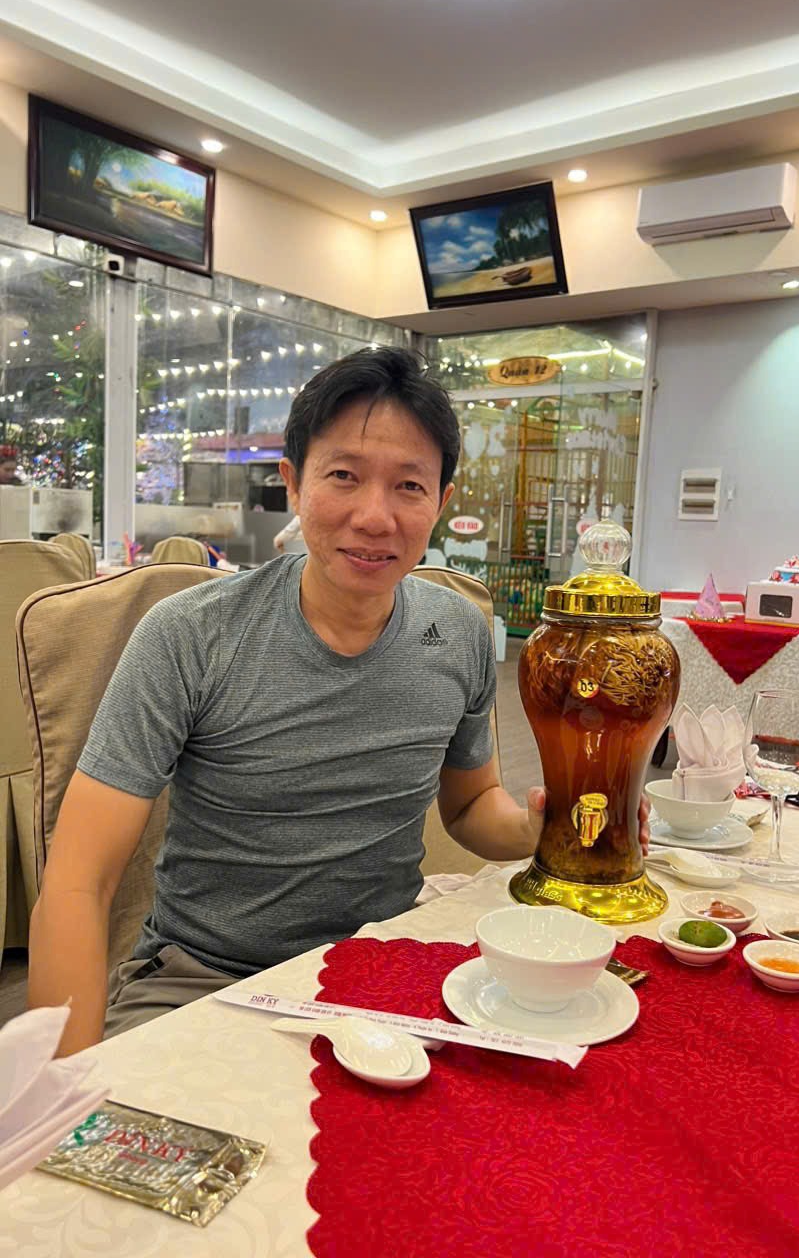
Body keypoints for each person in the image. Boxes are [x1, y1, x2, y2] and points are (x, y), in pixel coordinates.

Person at [28, 348, 568, 1056]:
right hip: (204, 981)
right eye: (343, 476)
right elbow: (79, 881)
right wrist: (60, 1086)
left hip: (384, 974)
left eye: (409, 485)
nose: (375, 517)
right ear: (293, 483)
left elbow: (470, 808)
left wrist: (541, 828)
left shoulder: (459, 631)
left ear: (440, 502)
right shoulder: (189, 636)